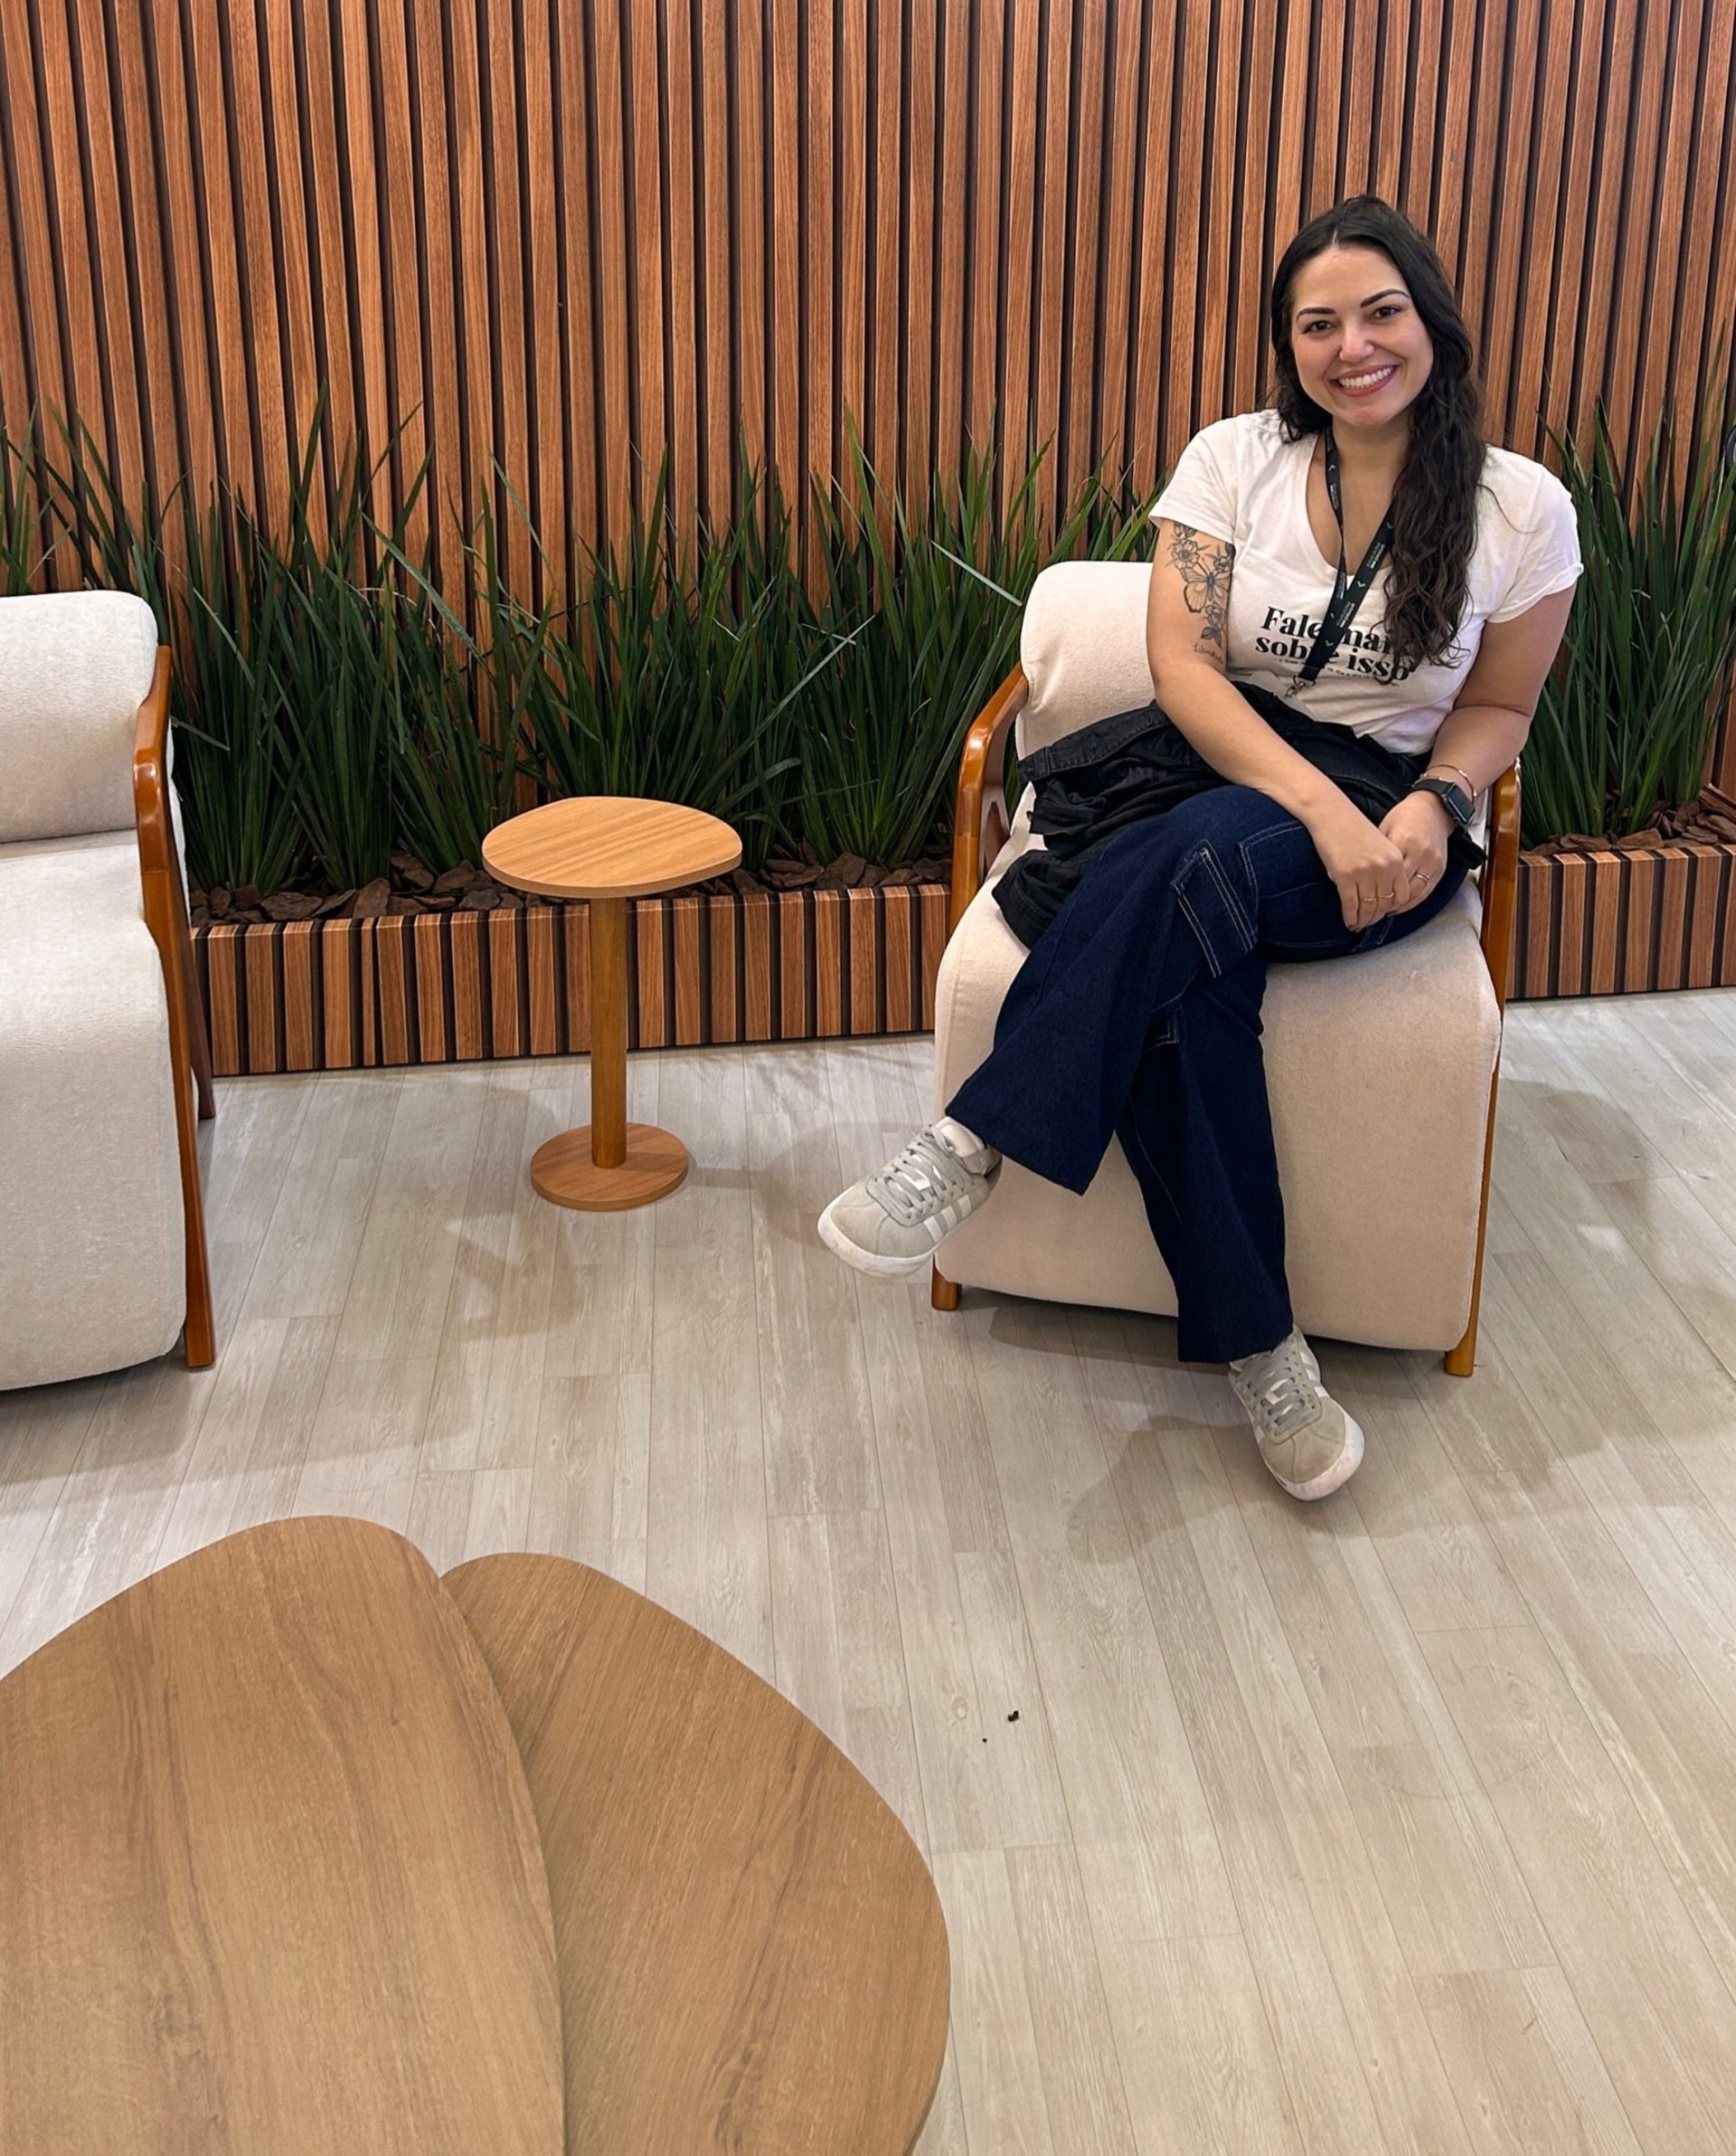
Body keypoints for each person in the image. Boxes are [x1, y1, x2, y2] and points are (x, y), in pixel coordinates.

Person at [817, 195, 1580, 1500]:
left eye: (1381, 312)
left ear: (1433, 321)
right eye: (1318, 323)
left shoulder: (1522, 507)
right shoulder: (1235, 460)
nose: (1355, 347)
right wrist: (1316, 810)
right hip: (1225, 764)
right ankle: (1267, 1356)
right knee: (1191, 973)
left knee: (1197, 865)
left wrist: (1427, 807)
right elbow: (1184, 664)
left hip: (1396, 806)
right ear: (1288, 346)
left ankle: (972, 1140)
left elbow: (1500, 708)